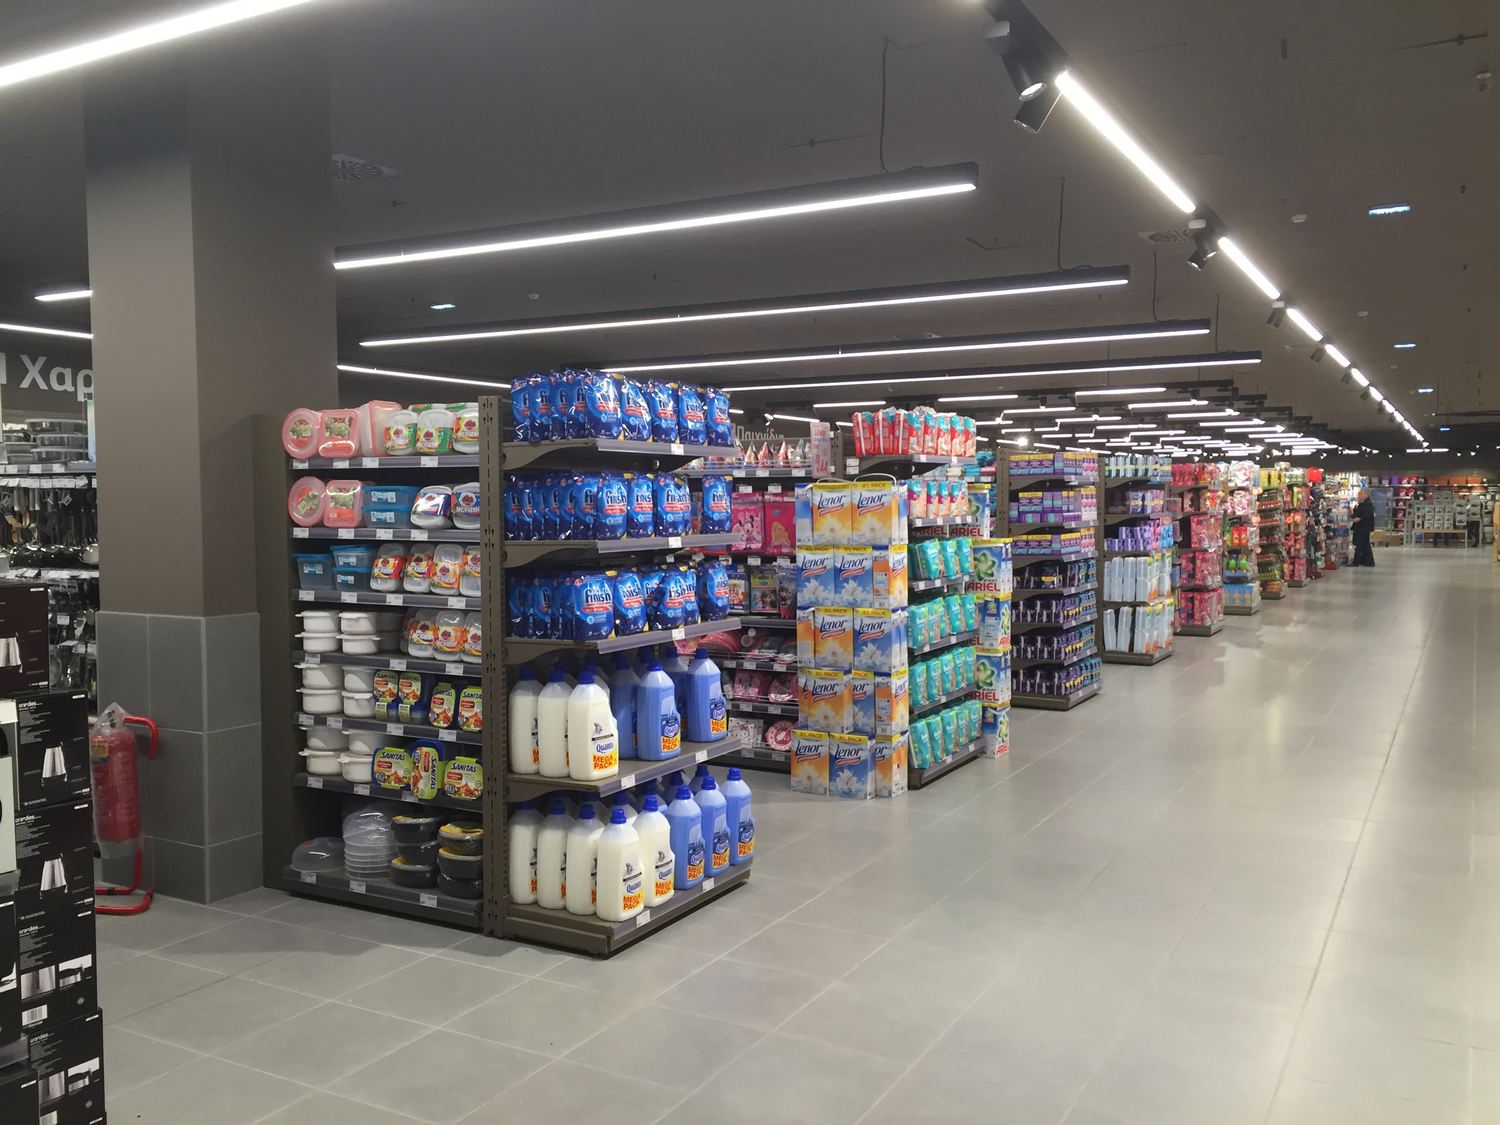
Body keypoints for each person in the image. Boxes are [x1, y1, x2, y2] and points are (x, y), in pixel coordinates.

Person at [1351, 487, 1375, 567]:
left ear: (1366, 495)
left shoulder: (1368, 504)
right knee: (1365, 545)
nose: (1358, 495)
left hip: (1363, 528)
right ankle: (1368, 561)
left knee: (1359, 544)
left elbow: (1368, 513)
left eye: (1360, 494)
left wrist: (1359, 518)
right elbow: (1356, 514)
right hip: (1361, 527)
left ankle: (1356, 562)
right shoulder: (1361, 504)